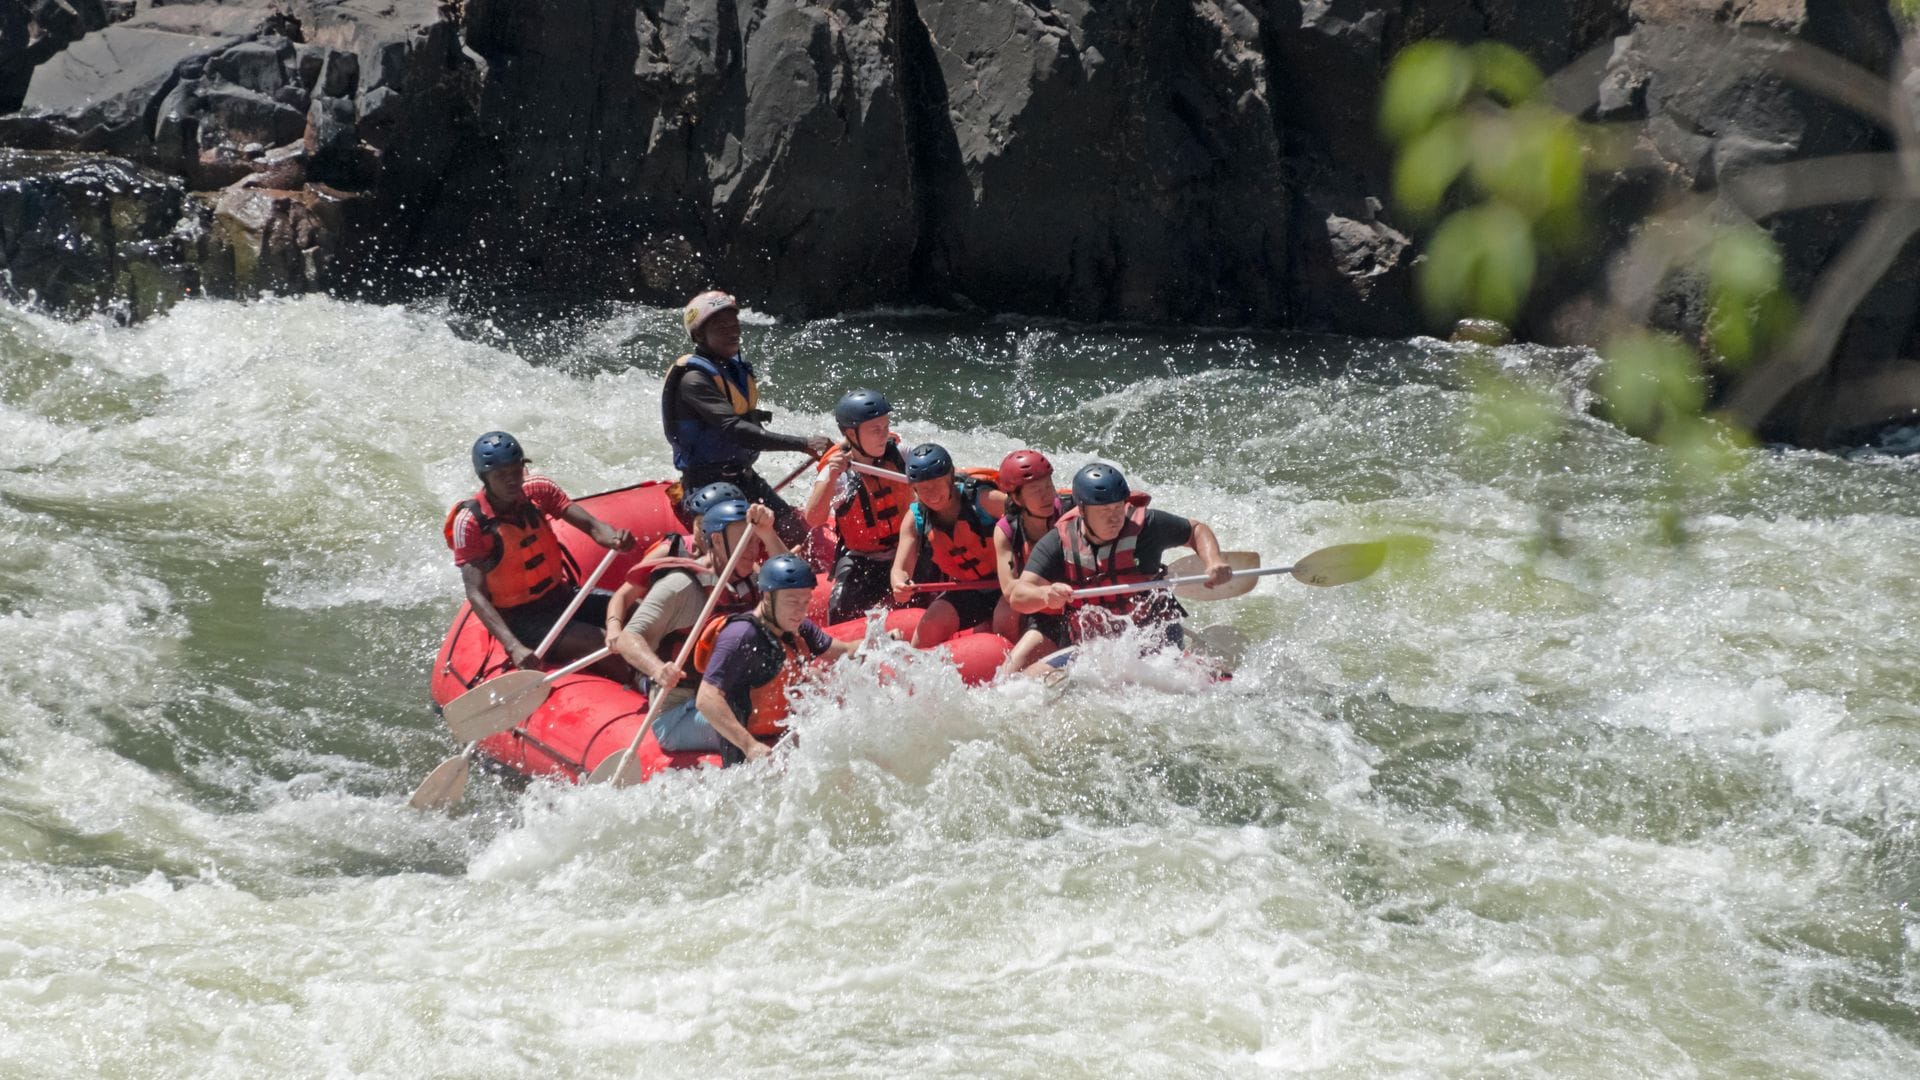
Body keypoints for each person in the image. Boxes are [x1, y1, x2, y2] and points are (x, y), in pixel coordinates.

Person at [444, 431, 635, 673]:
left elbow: (592, 526)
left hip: (563, 595)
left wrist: (615, 538)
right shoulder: (471, 523)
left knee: (639, 611)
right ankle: (640, 682)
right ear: (485, 478)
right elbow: (475, 594)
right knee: (604, 640)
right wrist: (513, 646)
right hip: (521, 619)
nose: (512, 480)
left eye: (515, 470)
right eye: (501, 475)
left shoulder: (538, 490)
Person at [660, 290, 831, 550]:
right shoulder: (693, 380)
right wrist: (803, 443)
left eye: (735, 325)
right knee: (735, 550)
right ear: (698, 336)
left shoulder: (730, 369)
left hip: (744, 478)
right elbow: (734, 429)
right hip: (707, 487)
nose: (733, 332)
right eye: (721, 327)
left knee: (798, 535)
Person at [1006, 462, 1232, 656]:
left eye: (1117, 508)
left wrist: (1213, 560)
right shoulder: (1058, 542)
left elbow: (1196, 530)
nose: (1114, 518)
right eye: (1103, 511)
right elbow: (1018, 595)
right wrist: (1044, 595)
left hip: (1155, 631)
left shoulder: (1147, 527)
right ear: (1082, 511)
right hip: (1094, 643)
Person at [650, 554, 859, 765]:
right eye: (792, 601)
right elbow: (706, 699)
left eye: (805, 602)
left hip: (758, 717)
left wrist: (882, 640)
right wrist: (749, 745)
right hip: (681, 721)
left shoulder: (797, 625)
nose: (800, 610)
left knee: (815, 679)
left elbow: (842, 650)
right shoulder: (741, 635)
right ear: (768, 597)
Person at [607, 498, 784, 714]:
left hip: (727, 693)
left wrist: (768, 533)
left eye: (756, 542)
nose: (753, 550)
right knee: (754, 717)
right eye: (745, 542)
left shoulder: (750, 577)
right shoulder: (680, 585)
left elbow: (796, 584)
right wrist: (657, 669)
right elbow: (628, 637)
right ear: (717, 541)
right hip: (680, 705)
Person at [889, 443, 1017, 647]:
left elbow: (1028, 520)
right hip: (969, 588)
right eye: (923, 488)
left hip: (1009, 583)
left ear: (950, 477)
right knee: (930, 625)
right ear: (914, 489)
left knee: (1004, 617)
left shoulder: (983, 499)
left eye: (937, 484)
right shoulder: (915, 519)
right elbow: (900, 569)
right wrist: (900, 584)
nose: (932, 494)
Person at [805, 389, 913, 621]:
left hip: (910, 550)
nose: (883, 435)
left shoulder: (901, 454)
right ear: (851, 434)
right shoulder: (837, 473)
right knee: (840, 611)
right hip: (865, 559)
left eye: (885, 426)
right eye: (875, 430)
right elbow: (813, 519)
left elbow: (940, 482)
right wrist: (831, 478)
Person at [602, 481, 748, 632]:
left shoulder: (745, 560)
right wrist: (614, 627)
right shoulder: (672, 549)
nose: (703, 533)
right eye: (699, 525)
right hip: (662, 630)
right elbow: (624, 596)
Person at [989, 450, 1076, 674]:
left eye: (1049, 487)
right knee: (1008, 674)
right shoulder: (1007, 530)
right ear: (1016, 498)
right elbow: (1011, 592)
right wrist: (1047, 595)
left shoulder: (1075, 513)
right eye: (1036, 491)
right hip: (1046, 613)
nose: (1047, 496)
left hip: (1083, 610)